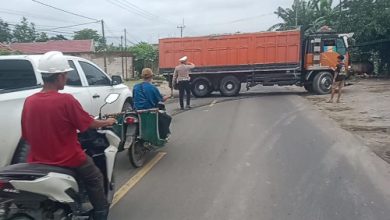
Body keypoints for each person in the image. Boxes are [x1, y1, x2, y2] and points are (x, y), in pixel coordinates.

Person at [21, 51, 116, 220]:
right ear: (58, 77)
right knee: (95, 177)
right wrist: (107, 122)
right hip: (67, 157)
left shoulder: (30, 101)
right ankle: (101, 213)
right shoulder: (66, 100)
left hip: (36, 159)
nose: (66, 78)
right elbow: (88, 124)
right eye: (65, 75)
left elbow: (27, 135)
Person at [133, 68, 172, 139]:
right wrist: (168, 96)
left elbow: (134, 98)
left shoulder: (136, 87)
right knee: (167, 118)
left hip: (136, 111)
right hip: (149, 111)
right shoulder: (152, 88)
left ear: (142, 77)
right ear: (151, 77)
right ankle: (163, 136)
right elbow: (161, 99)